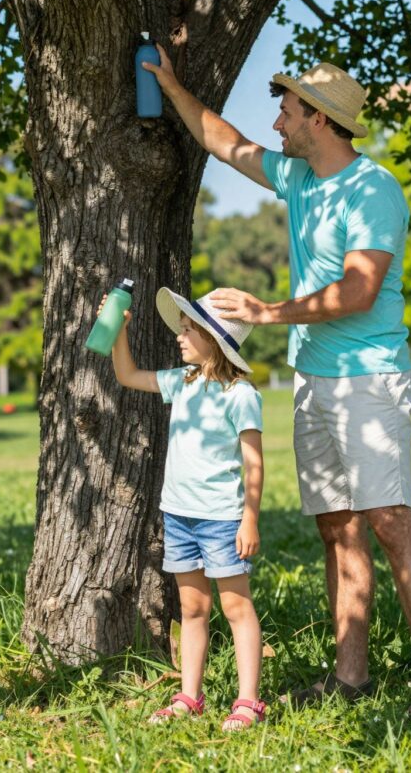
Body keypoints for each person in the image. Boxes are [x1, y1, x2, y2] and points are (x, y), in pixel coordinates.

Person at [143, 48, 411, 725]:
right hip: (314, 380)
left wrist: (268, 313)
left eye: (288, 108)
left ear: (319, 118)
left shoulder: (372, 189)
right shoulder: (295, 178)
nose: (278, 119)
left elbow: (359, 288)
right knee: (336, 528)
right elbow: (224, 142)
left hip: (369, 378)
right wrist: (170, 82)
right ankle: (350, 677)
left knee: (389, 521)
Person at [104, 286, 267, 731]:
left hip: (222, 519)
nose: (180, 334)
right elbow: (127, 375)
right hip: (178, 516)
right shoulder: (182, 381)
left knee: (237, 609)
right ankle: (189, 696)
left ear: (214, 339)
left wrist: (249, 517)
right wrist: (118, 333)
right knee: (192, 609)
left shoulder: (241, 395)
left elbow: (254, 462)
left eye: (189, 328)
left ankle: (248, 700)